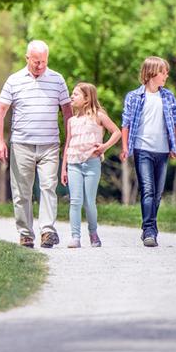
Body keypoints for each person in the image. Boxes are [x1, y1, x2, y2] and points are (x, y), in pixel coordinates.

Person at [0, 40, 72, 248]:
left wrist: (69, 142)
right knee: (22, 192)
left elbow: (67, 113)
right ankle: (26, 233)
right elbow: (0, 112)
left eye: (44, 62)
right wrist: (0, 141)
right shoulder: (14, 81)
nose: (40, 66)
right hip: (22, 144)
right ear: (27, 58)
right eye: (36, 61)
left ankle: (47, 230)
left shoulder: (57, 80)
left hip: (50, 144)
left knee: (48, 187)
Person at [120, 57, 176, 247]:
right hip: (143, 149)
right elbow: (126, 124)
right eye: (163, 72)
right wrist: (125, 147)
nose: (166, 75)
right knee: (147, 190)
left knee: (157, 194)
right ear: (152, 73)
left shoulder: (168, 96)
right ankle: (149, 229)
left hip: (162, 151)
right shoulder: (134, 96)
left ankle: (150, 227)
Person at [60, 82, 121, 248]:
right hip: (73, 163)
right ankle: (75, 237)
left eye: (76, 94)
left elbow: (117, 132)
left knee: (89, 202)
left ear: (87, 99)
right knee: (75, 201)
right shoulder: (71, 121)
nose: (72, 97)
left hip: (92, 163)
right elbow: (68, 143)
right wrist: (63, 168)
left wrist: (104, 147)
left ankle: (93, 233)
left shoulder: (99, 116)